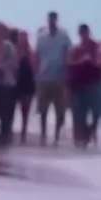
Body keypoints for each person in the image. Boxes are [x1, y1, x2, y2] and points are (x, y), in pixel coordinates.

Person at [35, 12, 71, 146]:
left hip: (59, 76)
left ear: (56, 20)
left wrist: (66, 75)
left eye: (53, 19)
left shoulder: (63, 35)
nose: (51, 21)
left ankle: (56, 136)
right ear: (47, 20)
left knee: (60, 110)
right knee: (43, 110)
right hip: (44, 76)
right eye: (49, 19)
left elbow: (67, 54)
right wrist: (36, 75)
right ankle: (43, 135)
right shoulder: (41, 36)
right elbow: (37, 56)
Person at [67, 24, 101, 147]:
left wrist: (92, 61)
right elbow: (70, 65)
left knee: (96, 113)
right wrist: (81, 61)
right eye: (82, 33)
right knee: (79, 113)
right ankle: (80, 140)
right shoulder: (75, 49)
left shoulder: (95, 47)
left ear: (88, 33)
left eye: (85, 33)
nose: (84, 35)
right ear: (79, 34)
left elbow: (100, 62)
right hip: (78, 85)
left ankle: (89, 132)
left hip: (92, 84)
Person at [14, 30, 36, 144]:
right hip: (16, 84)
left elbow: (34, 66)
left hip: (28, 84)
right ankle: (10, 133)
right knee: (11, 110)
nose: (22, 39)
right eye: (21, 37)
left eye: (24, 37)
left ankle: (23, 134)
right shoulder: (14, 50)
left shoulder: (30, 52)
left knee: (25, 112)